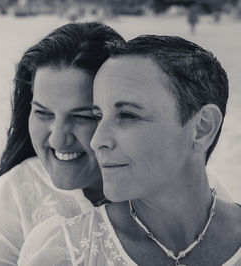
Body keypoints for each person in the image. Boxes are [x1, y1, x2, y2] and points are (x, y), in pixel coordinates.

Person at [18, 35, 241, 265]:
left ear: (202, 127)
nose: (97, 141)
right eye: (97, 116)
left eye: (127, 115)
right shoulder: (62, 252)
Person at [0, 22, 125, 266]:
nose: (57, 139)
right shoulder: (1, 209)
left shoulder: (165, 188)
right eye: (43, 113)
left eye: (82, 117)